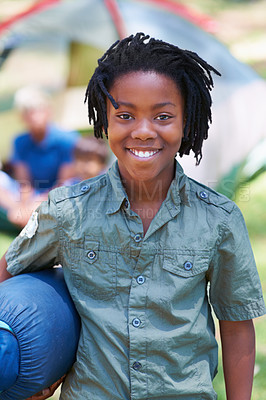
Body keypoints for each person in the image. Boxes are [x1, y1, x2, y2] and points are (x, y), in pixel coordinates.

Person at [0, 32, 265, 400]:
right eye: (125, 115)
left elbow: (236, 327)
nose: (143, 131)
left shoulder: (219, 220)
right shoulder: (65, 212)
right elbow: (7, 278)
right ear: (104, 120)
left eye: (162, 116)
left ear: (186, 122)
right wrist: (30, 371)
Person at [9, 86, 79, 196]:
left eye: (38, 111)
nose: (34, 117)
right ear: (22, 117)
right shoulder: (19, 141)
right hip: (32, 195)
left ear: (49, 111)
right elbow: (24, 184)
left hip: (63, 194)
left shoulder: (68, 139)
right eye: (28, 112)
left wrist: (40, 203)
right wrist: (24, 205)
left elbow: (64, 183)